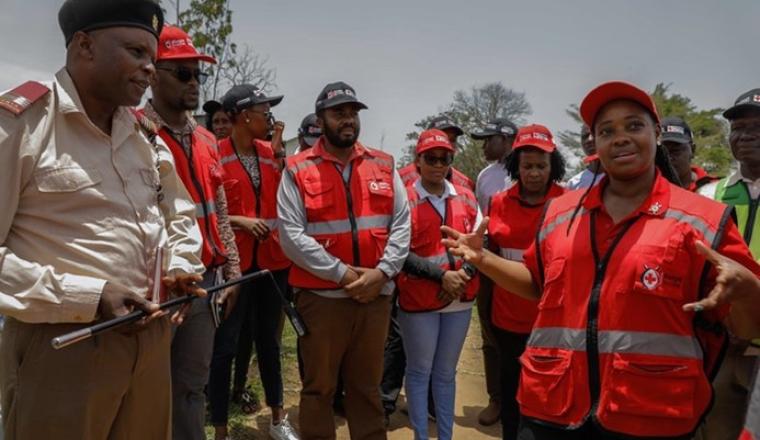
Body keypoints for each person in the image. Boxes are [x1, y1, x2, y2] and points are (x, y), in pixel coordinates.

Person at [442, 81, 760, 439]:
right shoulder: (560, 214)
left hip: (650, 415)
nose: (620, 138)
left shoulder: (704, 219)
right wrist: (483, 258)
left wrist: (750, 291)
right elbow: (537, 284)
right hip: (552, 406)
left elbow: (748, 329)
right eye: (607, 130)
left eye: (634, 126)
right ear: (595, 143)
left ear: (656, 133)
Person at [0, 1, 207, 438]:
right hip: (63, 346)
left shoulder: (144, 135)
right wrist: (88, 296)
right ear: (85, 46)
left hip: (151, 339)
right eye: (135, 52)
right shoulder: (21, 126)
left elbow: (179, 212)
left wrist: (182, 266)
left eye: (152, 57)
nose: (150, 68)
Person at [277, 81, 410, 440]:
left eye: (353, 113)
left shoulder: (384, 165)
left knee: (367, 389)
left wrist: (382, 273)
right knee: (319, 389)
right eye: (339, 113)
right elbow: (291, 236)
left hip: (375, 299)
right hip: (322, 301)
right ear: (321, 119)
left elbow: (401, 224)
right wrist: (344, 275)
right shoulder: (296, 169)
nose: (348, 120)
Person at [139, 24, 241, 440]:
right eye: (182, 73)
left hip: (205, 286)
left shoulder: (205, 139)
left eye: (198, 74)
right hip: (159, 289)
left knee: (191, 388)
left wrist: (232, 272)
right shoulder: (135, 132)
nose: (194, 83)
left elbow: (219, 209)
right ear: (152, 74)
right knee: (148, 390)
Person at [208, 84, 298, 440]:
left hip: (273, 265)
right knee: (225, 348)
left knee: (269, 344)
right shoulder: (214, 155)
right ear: (244, 116)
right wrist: (241, 222)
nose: (270, 117)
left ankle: (277, 419)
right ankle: (220, 430)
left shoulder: (270, 154)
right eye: (265, 111)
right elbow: (209, 214)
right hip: (234, 267)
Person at [394, 128, 481, 440]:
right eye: (430, 158)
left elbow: (481, 245)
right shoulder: (403, 198)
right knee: (419, 372)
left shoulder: (467, 198)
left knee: (445, 374)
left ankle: (445, 436)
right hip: (419, 301)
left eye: (444, 158)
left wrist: (462, 277)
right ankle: (421, 436)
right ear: (418, 160)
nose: (437, 164)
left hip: (460, 300)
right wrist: (441, 277)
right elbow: (397, 253)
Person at [487, 124, 566, 439]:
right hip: (507, 317)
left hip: (553, 320)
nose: (534, 173)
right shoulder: (498, 202)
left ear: (553, 166)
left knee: (549, 397)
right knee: (511, 390)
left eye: (541, 166)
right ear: (515, 166)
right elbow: (489, 253)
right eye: (527, 166)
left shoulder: (570, 203)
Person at [695, 89, 760, 440]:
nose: (747, 135)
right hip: (722, 345)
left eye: (758, 127)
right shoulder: (710, 196)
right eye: (739, 127)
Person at [468, 117, 517, 426]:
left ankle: (526, 400)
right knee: (490, 330)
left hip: (526, 264)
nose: (484, 145)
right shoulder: (485, 176)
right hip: (490, 261)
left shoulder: (530, 168)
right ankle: (497, 398)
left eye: (489, 139)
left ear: (507, 139)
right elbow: (477, 222)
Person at [398, 115, 475, 190]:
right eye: (441, 137)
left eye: (452, 140)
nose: (446, 143)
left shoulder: (465, 184)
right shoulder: (400, 179)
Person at [660, 116, 718, 192]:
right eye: (662, 152)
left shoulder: (715, 189)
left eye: (675, 151)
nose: (669, 158)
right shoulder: (643, 191)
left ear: (692, 150)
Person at [565, 124, 605, 190]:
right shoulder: (573, 183)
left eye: (593, 134)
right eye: (584, 136)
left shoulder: (621, 177)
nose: (589, 140)